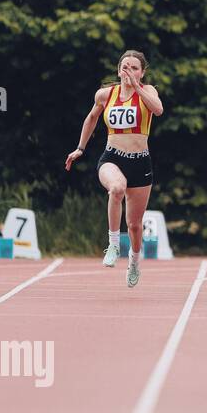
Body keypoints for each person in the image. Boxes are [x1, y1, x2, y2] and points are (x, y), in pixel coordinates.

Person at [65, 50, 164, 289]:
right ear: (118, 69)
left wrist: (137, 87)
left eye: (134, 68)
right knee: (116, 189)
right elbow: (91, 118)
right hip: (112, 158)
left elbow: (158, 110)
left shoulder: (148, 92)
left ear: (142, 72)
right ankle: (112, 244)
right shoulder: (105, 94)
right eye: (125, 66)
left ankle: (134, 261)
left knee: (134, 225)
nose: (128, 71)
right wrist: (80, 147)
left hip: (140, 162)